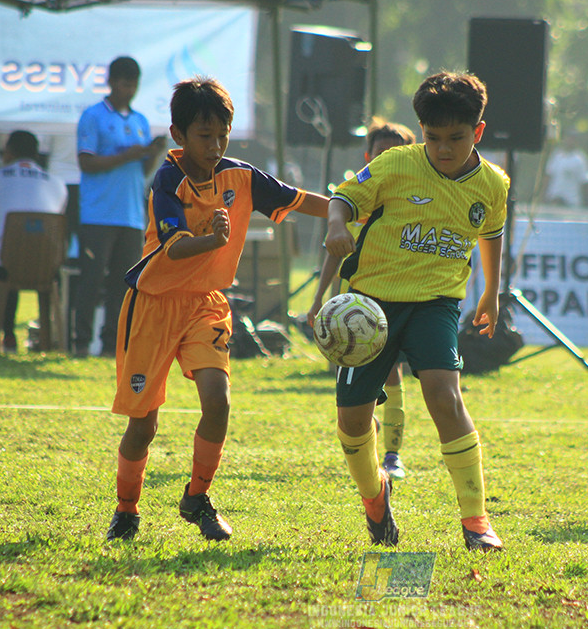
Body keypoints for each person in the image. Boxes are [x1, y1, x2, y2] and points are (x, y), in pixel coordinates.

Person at [106, 77, 329, 541]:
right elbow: (174, 248)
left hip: (206, 304)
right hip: (153, 306)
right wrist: (214, 239)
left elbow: (296, 199)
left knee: (218, 401)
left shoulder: (241, 176)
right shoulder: (168, 180)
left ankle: (197, 496)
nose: (216, 144)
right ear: (179, 136)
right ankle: (127, 511)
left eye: (223, 134)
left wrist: (352, 209)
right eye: (205, 135)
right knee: (143, 425)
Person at [324, 72, 509, 552]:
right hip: (372, 305)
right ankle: (375, 500)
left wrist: (490, 293)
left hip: (436, 303)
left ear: (478, 132)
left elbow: (491, 234)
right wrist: (336, 226)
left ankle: (476, 521)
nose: (443, 148)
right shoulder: (396, 165)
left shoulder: (492, 184)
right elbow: (343, 198)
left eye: (456, 138)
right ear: (420, 130)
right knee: (351, 420)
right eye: (433, 137)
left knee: (445, 397)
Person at [307, 118, 416, 481]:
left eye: (396, 154)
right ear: (368, 156)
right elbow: (334, 252)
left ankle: (393, 456)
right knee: (356, 384)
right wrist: (319, 296)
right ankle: (369, 447)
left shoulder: (414, 202)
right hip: (354, 306)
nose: (387, 160)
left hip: (398, 302)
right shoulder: (356, 199)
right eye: (381, 154)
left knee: (393, 373)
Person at [72, 56, 166, 358]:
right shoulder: (93, 116)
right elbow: (86, 162)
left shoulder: (139, 121)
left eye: (134, 85)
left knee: (123, 284)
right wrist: (128, 155)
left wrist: (152, 153)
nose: (130, 90)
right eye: (125, 84)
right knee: (91, 278)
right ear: (112, 82)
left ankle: (112, 344)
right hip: (98, 213)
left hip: (131, 215)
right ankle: (81, 342)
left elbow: (142, 170)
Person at [0, 130, 68, 353]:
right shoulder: (57, 184)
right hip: (46, 265)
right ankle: (48, 337)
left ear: (8, 153)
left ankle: (8, 335)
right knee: (26, 251)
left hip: (5, 265)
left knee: (5, 254)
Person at [543, 131, 588, 207]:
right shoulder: (557, 156)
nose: (570, 141)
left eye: (573, 139)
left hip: (571, 202)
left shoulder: (580, 159)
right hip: (554, 199)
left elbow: (584, 182)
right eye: (568, 138)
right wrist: (544, 196)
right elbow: (548, 176)